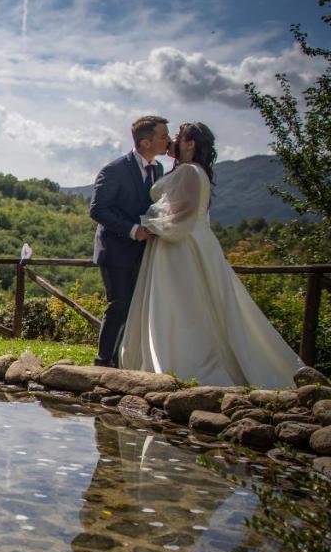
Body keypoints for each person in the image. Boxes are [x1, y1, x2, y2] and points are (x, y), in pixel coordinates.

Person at [119, 122, 304, 388]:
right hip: (185, 242)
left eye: (178, 138)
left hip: (181, 245)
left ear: (191, 143)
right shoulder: (192, 170)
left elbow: (182, 217)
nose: (171, 142)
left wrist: (149, 225)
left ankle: (185, 361)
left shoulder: (191, 172)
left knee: (185, 304)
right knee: (190, 304)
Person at [90, 115, 170, 367]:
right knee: (119, 303)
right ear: (146, 142)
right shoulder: (114, 170)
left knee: (138, 306)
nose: (168, 141)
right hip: (115, 249)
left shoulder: (159, 170)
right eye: (163, 136)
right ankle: (103, 361)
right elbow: (98, 210)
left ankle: (123, 359)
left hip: (145, 251)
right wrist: (133, 229)